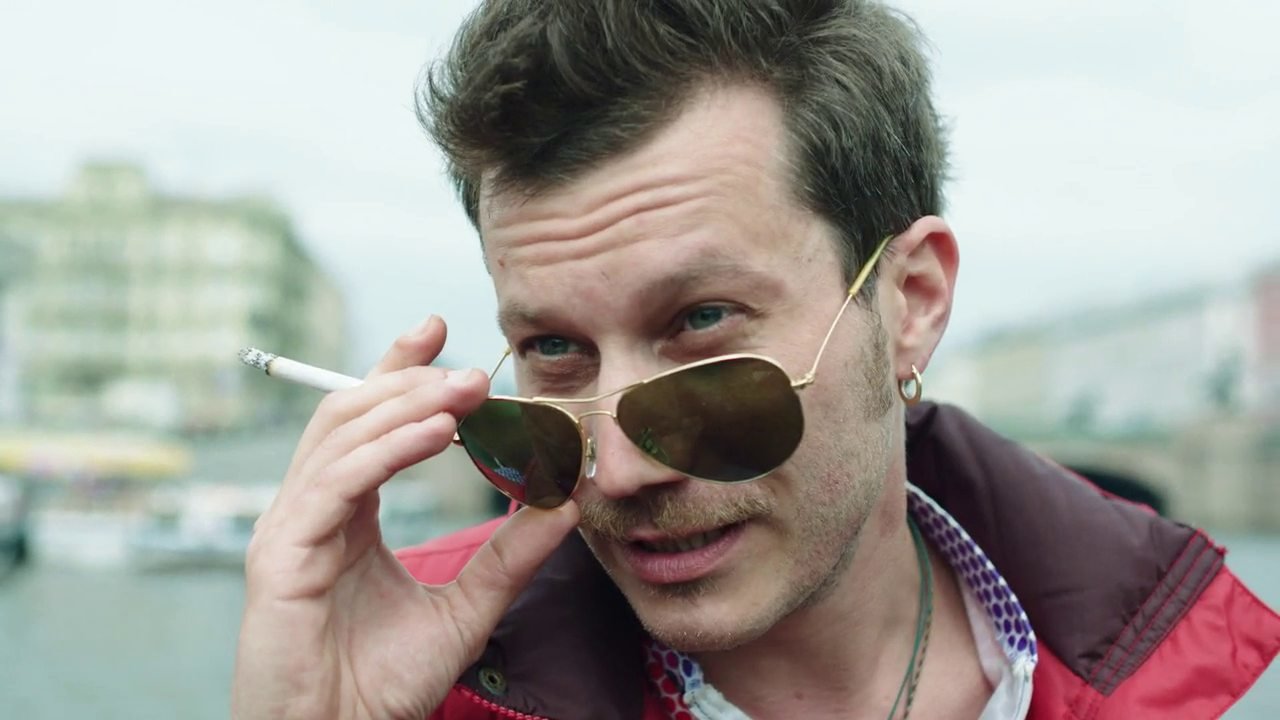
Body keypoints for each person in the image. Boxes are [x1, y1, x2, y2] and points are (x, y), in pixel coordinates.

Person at [230, 1, 1280, 718]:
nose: (618, 469)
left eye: (701, 323)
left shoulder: (1160, 661)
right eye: (552, 349)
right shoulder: (417, 673)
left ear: (909, 303)